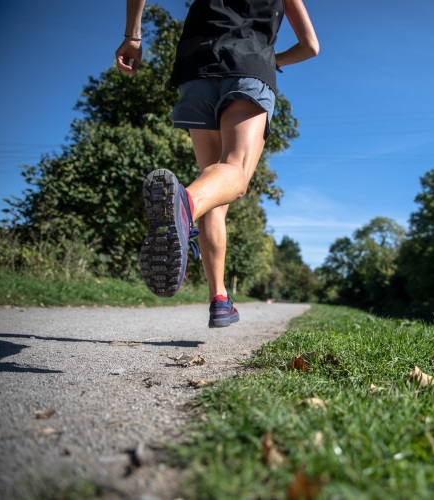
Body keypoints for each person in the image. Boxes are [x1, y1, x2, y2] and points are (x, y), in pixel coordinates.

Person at [116, 0, 319, 328]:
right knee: (234, 173)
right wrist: (272, 60)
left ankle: (220, 298)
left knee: (214, 189)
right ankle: (184, 206)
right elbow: (311, 46)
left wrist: (133, 37)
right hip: (250, 66)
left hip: (196, 67)